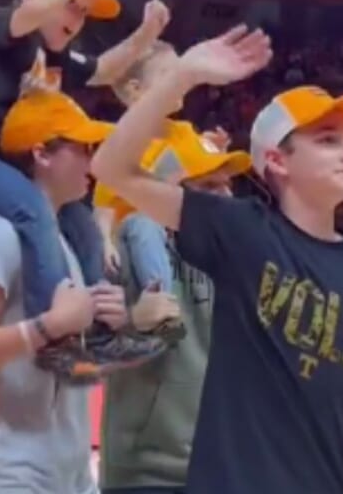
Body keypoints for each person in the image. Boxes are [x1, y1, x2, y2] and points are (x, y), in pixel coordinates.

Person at [92, 25, 343, 494]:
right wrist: (180, 78)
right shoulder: (241, 228)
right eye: (328, 140)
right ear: (278, 161)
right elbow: (111, 169)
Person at [0, 0, 171, 380]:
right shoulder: (4, 31)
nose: (78, 18)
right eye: (72, 4)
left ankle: (99, 334)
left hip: (11, 169)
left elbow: (103, 71)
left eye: (83, 11)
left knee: (80, 221)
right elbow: (35, 10)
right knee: (34, 209)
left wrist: (147, 33)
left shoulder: (54, 56)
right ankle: (55, 336)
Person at [0, 92, 177, 492]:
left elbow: (66, 368)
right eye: (83, 148)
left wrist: (122, 330)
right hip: (2, 469)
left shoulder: (63, 246)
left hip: (69, 468)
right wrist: (48, 325)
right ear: (42, 154)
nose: (92, 160)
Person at [100, 135, 252, 494]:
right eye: (210, 186)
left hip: (225, 465)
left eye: (228, 185)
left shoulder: (237, 252)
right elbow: (86, 357)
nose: (228, 197)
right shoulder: (133, 240)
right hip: (149, 474)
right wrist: (136, 322)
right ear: (171, 193)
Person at [94, 40, 230, 342]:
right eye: (170, 74)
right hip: (133, 241)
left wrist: (215, 149)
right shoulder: (122, 147)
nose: (181, 79)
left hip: (178, 232)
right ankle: (161, 304)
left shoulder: (184, 133)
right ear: (135, 90)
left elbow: (210, 169)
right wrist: (104, 240)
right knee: (143, 222)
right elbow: (103, 204)